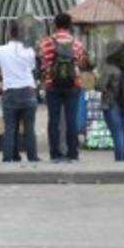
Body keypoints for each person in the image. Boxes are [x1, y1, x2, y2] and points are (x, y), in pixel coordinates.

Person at [38, 12, 88, 163]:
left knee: (53, 119)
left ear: (55, 25)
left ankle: (55, 153)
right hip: (73, 85)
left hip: (52, 84)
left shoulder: (46, 42)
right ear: (70, 25)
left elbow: (43, 64)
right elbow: (80, 63)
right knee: (71, 119)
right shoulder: (77, 43)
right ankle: (73, 152)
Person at [0, 22, 39, 162]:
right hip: (28, 90)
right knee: (29, 127)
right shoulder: (29, 50)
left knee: (9, 127)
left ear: (10, 33)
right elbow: (32, 68)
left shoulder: (0, 50)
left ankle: (8, 157)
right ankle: (32, 156)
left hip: (10, 90)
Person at [98, 45, 124, 162]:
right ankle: (123, 159)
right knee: (123, 132)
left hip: (111, 103)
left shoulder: (109, 68)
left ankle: (119, 160)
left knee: (117, 133)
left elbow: (100, 86)